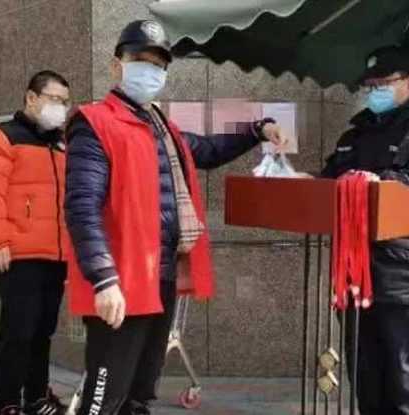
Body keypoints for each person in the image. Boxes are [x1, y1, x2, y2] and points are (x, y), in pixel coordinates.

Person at [64, 19, 291, 415]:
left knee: (141, 391)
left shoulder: (163, 128)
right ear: (116, 66)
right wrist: (103, 277)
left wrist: (258, 130)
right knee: (104, 398)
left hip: (161, 275)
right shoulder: (94, 124)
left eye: (159, 64)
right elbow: (82, 206)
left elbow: (208, 149)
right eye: (141, 60)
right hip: (121, 279)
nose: (151, 71)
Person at [320, 45, 409, 415]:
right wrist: (296, 180)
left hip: (404, 283)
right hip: (355, 280)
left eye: (385, 82)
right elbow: (326, 184)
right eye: (370, 84)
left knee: (406, 388)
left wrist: (375, 181)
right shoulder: (352, 138)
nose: (375, 90)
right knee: (367, 384)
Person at [0, 70, 71, 415]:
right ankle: (8, 402)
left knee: (43, 331)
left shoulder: (60, 144)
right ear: (31, 97)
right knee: (18, 331)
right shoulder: (0, 137)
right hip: (19, 253)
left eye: (65, 101)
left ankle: (37, 398)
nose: (61, 107)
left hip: (56, 254)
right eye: (54, 99)